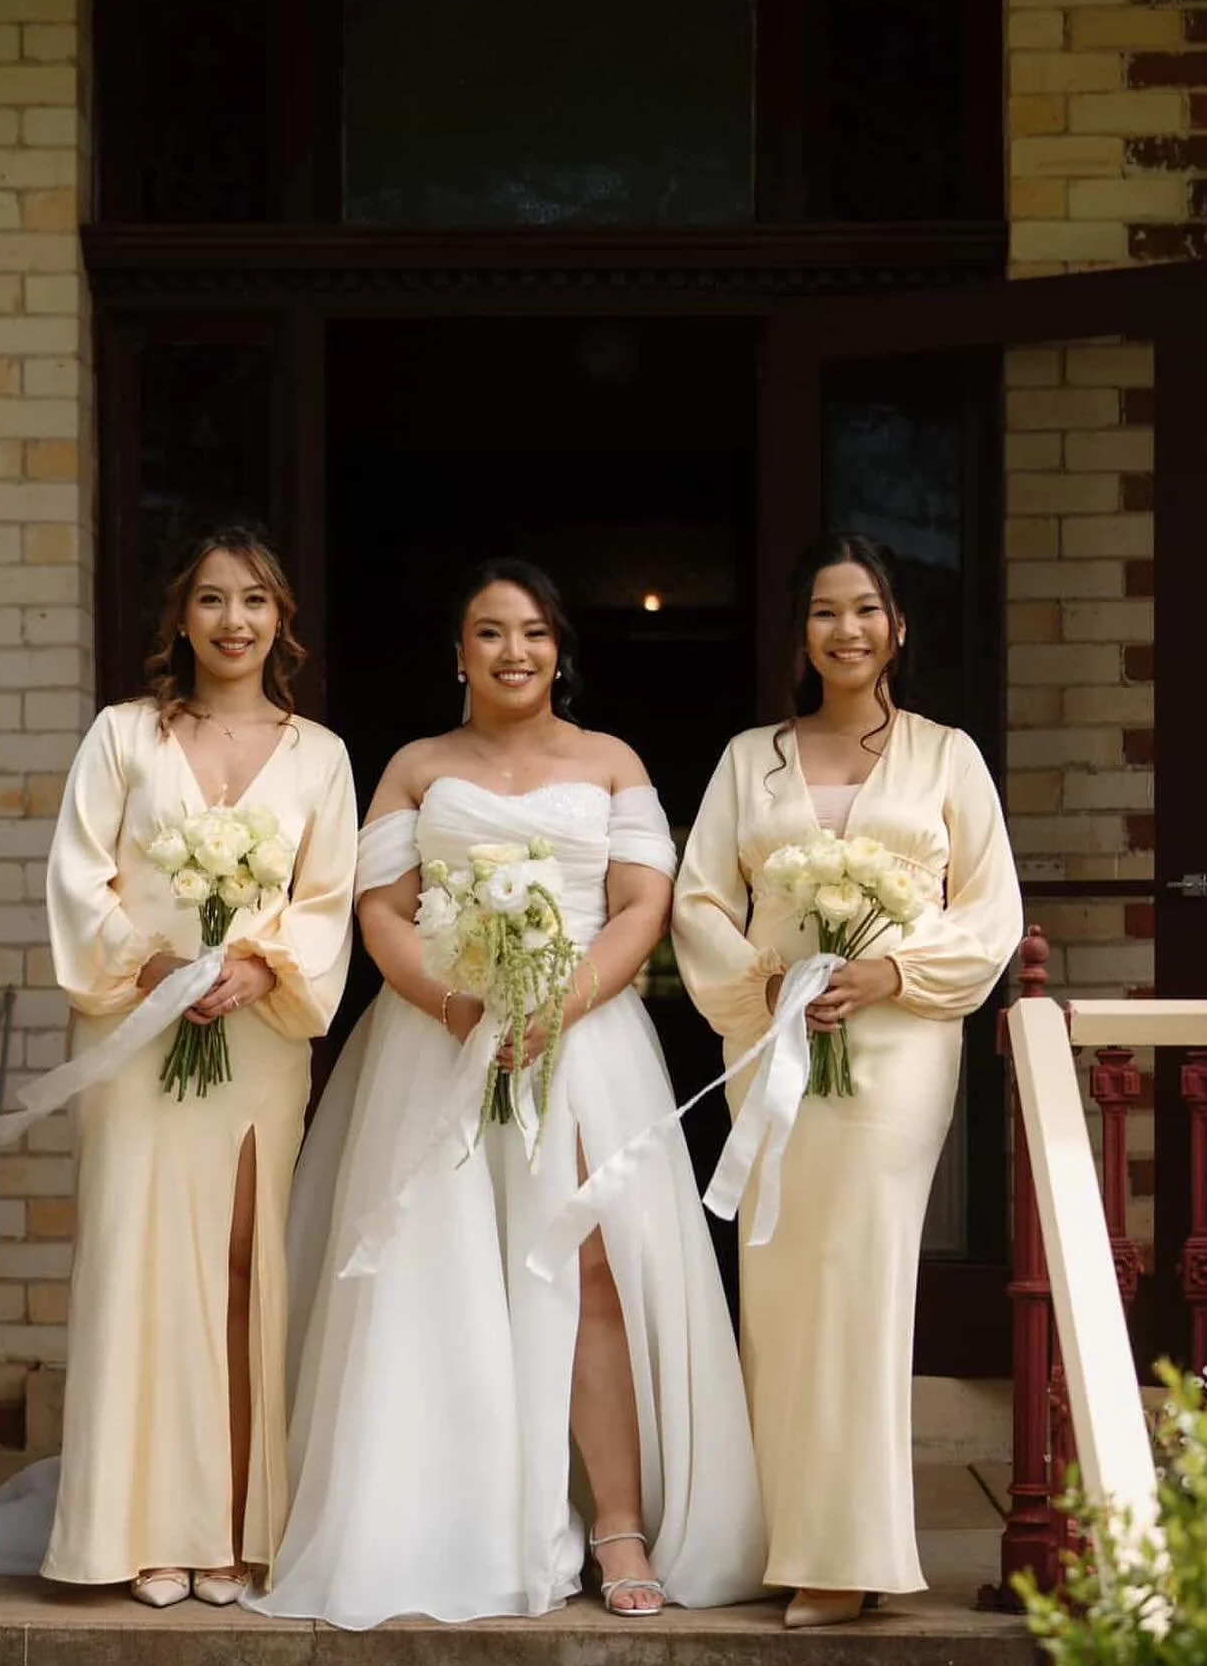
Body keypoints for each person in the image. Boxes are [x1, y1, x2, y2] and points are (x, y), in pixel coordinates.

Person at [249, 557, 766, 1629]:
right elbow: (383, 908)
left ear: (559, 650)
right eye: (490, 632)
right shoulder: (415, 766)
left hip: (580, 1042)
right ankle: (451, 1521)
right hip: (437, 1039)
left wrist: (558, 1005)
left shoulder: (611, 759)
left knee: (590, 1267)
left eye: (532, 632)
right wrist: (453, 1006)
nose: (514, 651)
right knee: (435, 1275)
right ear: (459, 653)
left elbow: (641, 904)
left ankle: (617, 1522)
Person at [673, 533, 1023, 1629]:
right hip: (771, 1043)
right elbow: (696, 901)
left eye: (866, 609)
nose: (847, 630)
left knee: (864, 1278)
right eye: (826, 613)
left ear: (899, 628)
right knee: (777, 1281)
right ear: (803, 634)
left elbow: (991, 911)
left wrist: (889, 971)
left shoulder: (946, 757)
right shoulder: (750, 759)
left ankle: (853, 1551)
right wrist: (764, 977)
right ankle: (781, 1532)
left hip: (896, 1049)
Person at [40, 523, 358, 1606]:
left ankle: (227, 1527)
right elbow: (81, 878)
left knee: (236, 1269)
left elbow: (325, 902)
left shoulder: (321, 755)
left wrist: (265, 974)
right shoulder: (125, 736)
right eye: (214, 599)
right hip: (139, 1033)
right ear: (181, 616)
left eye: (256, 601)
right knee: (138, 1268)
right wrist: (152, 962)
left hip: (258, 1042)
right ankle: (138, 1534)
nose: (234, 621)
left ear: (283, 623)